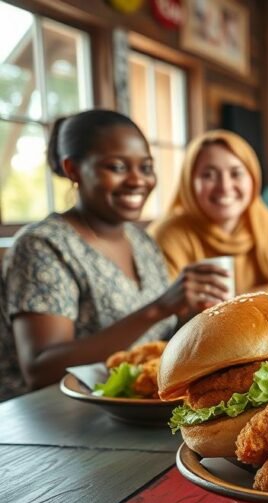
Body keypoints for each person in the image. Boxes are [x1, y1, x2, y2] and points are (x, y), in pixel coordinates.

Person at [0, 110, 228, 399]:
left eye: (146, 168)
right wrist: (159, 308)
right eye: (117, 167)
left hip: (136, 410)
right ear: (73, 170)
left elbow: (159, 340)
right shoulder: (43, 246)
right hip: (52, 421)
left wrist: (198, 314)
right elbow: (40, 369)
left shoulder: (141, 241)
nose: (137, 180)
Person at [150, 130, 268, 296]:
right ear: (189, 182)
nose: (225, 187)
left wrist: (235, 304)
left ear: (253, 179)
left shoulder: (263, 219)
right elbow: (165, 312)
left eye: (236, 173)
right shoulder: (168, 234)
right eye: (208, 175)